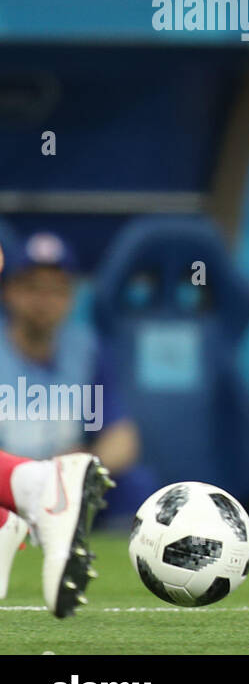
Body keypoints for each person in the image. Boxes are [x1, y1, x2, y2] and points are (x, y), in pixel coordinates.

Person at [0, 229, 113, 619]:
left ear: (71, 297)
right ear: (9, 291)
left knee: (133, 483)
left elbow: (122, 439)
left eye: (55, 290)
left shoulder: (87, 349)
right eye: (32, 288)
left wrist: (85, 460)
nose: (42, 301)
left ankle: (36, 487)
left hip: (72, 481)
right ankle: (20, 498)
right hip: (21, 488)